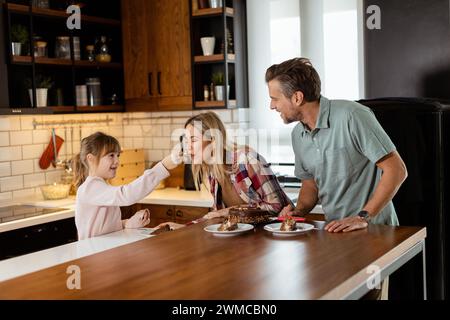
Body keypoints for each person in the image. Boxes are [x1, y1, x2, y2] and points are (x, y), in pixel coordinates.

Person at [266, 58, 408, 299]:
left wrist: (363, 216)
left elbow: (397, 170)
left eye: (275, 98)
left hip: (373, 232)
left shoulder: (353, 115)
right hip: (335, 234)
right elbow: (311, 185)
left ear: (297, 98)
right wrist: (298, 210)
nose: (271, 106)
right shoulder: (298, 135)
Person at [159, 111, 292, 230]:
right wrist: (185, 227)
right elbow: (216, 217)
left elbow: (276, 206)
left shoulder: (247, 159)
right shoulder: (212, 172)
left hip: (276, 237)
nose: (188, 147)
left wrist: (228, 211)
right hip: (247, 242)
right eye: (186, 141)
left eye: (193, 140)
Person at [73, 132, 181, 240]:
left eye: (117, 155)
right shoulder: (91, 187)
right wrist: (163, 166)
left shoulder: (100, 186)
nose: (117, 161)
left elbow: (104, 228)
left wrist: (127, 223)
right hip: (93, 254)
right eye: (111, 155)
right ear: (90, 159)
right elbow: (126, 195)